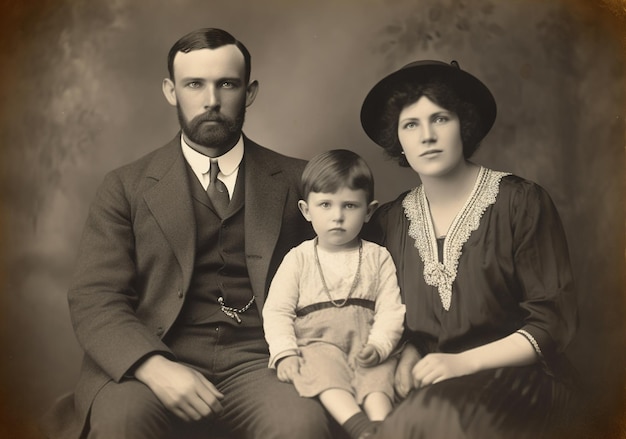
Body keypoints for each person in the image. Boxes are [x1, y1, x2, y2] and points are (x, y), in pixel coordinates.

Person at [40, 28, 336, 439]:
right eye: (194, 84)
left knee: (299, 426)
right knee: (122, 423)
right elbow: (95, 296)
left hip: (265, 360)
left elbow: (349, 263)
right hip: (155, 351)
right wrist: (152, 366)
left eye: (226, 84)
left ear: (248, 92)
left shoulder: (300, 180)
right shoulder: (125, 186)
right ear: (170, 90)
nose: (211, 101)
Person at [359, 60, 580, 438]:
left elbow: (552, 322)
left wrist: (464, 364)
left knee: (430, 418)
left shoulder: (520, 202)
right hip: (432, 386)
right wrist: (408, 352)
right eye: (411, 124)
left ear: (465, 124)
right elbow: (389, 312)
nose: (427, 135)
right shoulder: (390, 222)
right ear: (398, 140)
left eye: (440, 119)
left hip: (521, 384)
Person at [263, 149, 406, 439]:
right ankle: (358, 426)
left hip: (367, 340)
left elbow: (391, 309)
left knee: (378, 372)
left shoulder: (378, 257)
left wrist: (379, 345)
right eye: (325, 205)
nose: (337, 217)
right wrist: (284, 352)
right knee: (321, 368)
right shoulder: (298, 258)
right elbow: (277, 311)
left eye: (350, 206)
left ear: (368, 211)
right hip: (317, 343)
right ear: (306, 210)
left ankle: (382, 425)